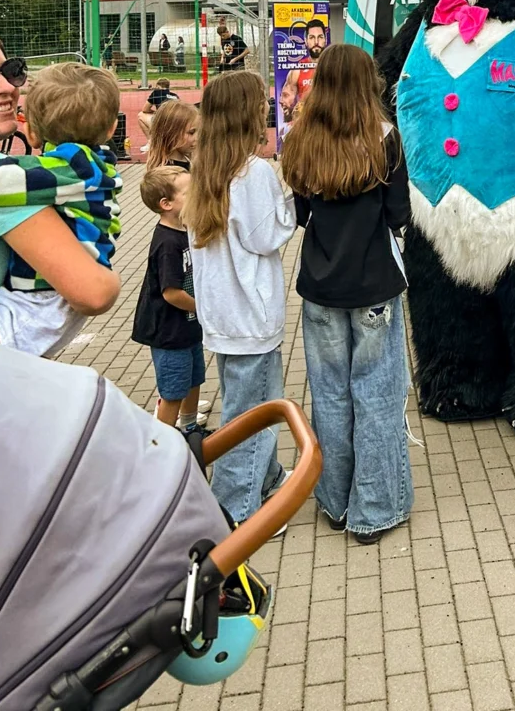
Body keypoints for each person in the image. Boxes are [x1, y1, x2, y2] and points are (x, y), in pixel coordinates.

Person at [282, 44, 414, 544]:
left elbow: (300, 214)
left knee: (330, 395)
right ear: (366, 83)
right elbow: (399, 214)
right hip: (375, 281)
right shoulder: (384, 137)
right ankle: (374, 509)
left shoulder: (301, 138)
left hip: (320, 284)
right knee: (377, 393)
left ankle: (334, 501)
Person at [182, 71, 296, 524]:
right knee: (251, 415)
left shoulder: (205, 168)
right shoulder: (253, 172)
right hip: (251, 312)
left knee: (244, 401)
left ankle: (266, 478)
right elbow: (266, 236)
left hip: (222, 313)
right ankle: (236, 510)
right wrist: (291, 202)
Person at [0, 62, 122, 357]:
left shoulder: (72, 166)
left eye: (11, 71)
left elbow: (6, 180)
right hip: (48, 296)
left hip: (43, 300)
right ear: (112, 127)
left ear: (32, 133)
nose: (6, 85)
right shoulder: (90, 163)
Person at [132, 166, 204, 433]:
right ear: (166, 204)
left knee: (194, 379)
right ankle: (163, 441)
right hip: (168, 332)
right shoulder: (167, 243)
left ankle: (190, 429)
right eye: (189, 192)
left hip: (188, 327)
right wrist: (204, 309)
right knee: (173, 390)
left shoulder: (186, 231)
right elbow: (171, 293)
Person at [279, 19, 327, 119]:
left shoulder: (334, 67)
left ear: (325, 40)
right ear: (306, 41)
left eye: (320, 37)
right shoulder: (297, 70)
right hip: (307, 123)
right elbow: (286, 102)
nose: (316, 42)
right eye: (312, 37)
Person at [146, 100, 199, 172]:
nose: (197, 138)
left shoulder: (185, 159)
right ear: (171, 133)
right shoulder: (169, 173)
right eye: (191, 133)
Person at [138, 77, 179, 152]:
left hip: (162, 123)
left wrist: (156, 112)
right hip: (176, 124)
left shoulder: (156, 93)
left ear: (158, 86)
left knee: (140, 115)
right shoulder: (175, 96)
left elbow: (145, 109)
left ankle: (151, 142)